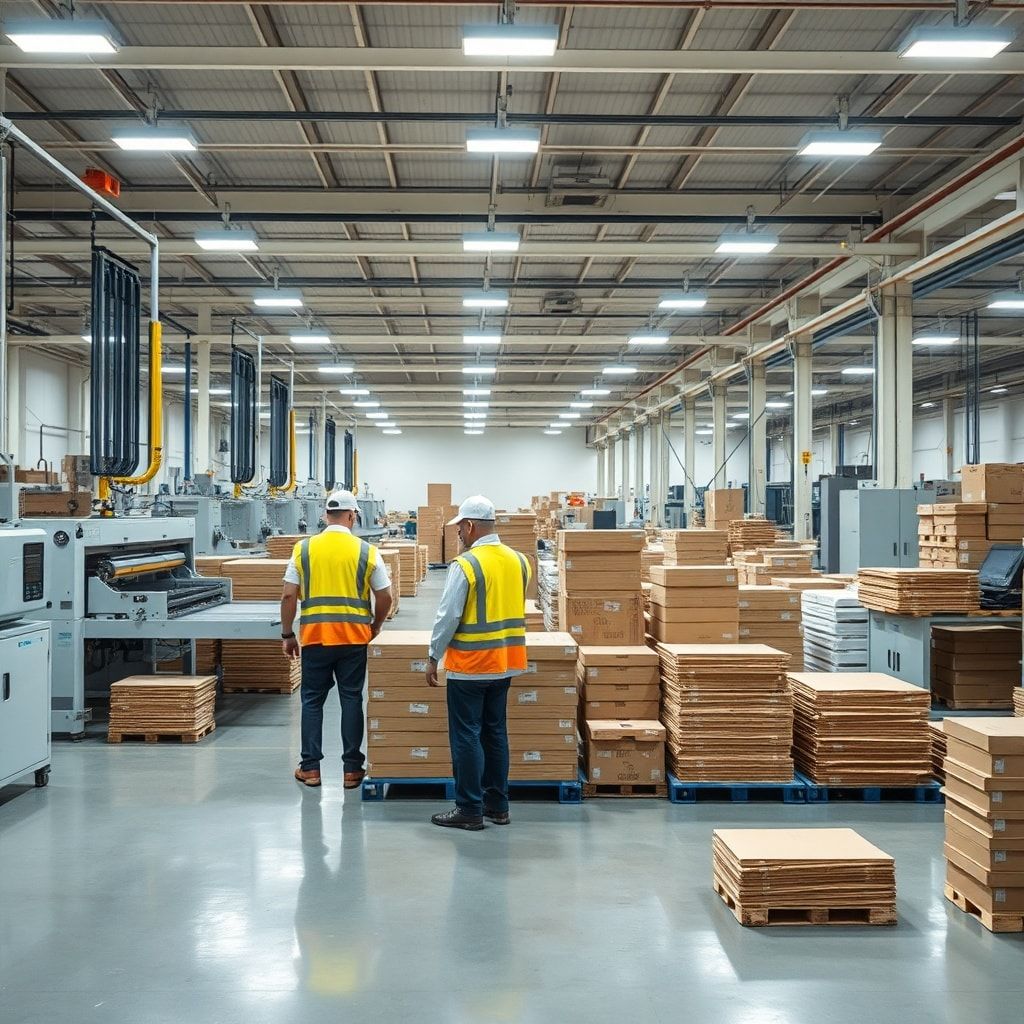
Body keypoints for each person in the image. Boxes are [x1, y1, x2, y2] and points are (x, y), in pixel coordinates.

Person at [425, 495, 531, 830]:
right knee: (495, 732)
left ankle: (469, 809)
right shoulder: (520, 561)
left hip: (471, 665)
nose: (458, 534)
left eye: (460, 528)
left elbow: (448, 617)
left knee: (466, 735)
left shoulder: (466, 565)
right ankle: (498, 806)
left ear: (470, 526)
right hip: (506, 662)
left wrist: (432, 656)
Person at [281, 489, 393, 789]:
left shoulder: (303, 549)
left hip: (315, 638)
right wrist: (376, 625)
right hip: (354, 638)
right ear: (352, 515)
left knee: (312, 702)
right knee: (351, 700)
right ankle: (352, 771)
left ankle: (311, 769)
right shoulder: (366, 551)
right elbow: (385, 595)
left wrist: (288, 634)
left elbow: (289, 594)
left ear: (325, 515)